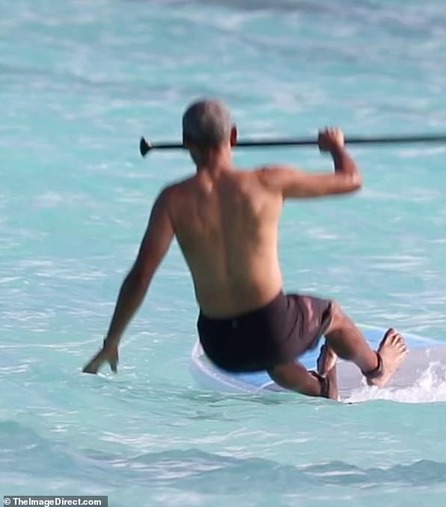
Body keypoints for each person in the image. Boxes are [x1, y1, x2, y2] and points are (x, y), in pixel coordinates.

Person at [82, 98, 408, 399]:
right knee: (330, 315)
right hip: (271, 329)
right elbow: (351, 180)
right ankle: (377, 369)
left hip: (219, 344)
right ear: (233, 136)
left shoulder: (172, 200)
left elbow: (140, 276)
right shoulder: (267, 181)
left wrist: (111, 341)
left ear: (185, 144)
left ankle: (320, 388)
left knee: (271, 351)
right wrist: (336, 148)